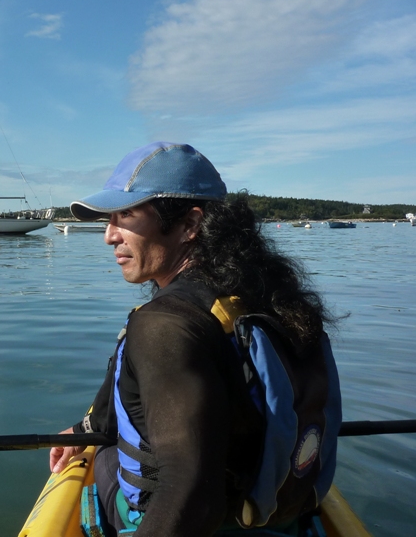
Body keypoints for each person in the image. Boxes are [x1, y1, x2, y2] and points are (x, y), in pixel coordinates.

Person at [49, 142, 339, 536]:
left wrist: (94, 440)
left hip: (183, 521)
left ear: (190, 225)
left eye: (126, 215)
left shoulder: (164, 327)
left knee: (108, 453)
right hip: (274, 515)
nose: (109, 235)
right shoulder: (269, 295)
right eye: (110, 218)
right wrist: (84, 428)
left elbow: (189, 495)